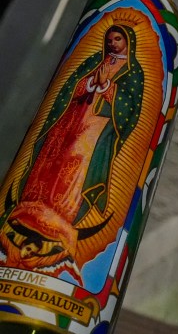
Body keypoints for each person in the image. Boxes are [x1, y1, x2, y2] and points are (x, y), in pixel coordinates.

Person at [0, 23, 144, 282]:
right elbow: (70, 87)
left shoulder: (133, 72)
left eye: (118, 39)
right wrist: (90, 82)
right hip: (73, 117)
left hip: (97, 125)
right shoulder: (95, 60)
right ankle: (34, 204)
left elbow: (131, 107)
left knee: (77, 161)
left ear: (128, 42)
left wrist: (108, 88)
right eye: (110, 39)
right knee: (53, 155)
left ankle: (63, 213)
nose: (112, 43)